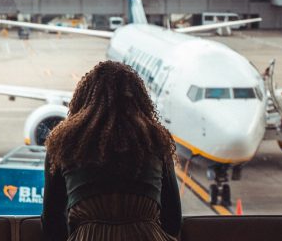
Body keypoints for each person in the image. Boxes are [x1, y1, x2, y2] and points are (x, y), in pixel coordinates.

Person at [42, 61, 181, 241]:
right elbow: (173, 220)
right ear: (139, 99)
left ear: (83, 98)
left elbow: (52, 220)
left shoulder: (63, 142)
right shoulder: (156, 139)